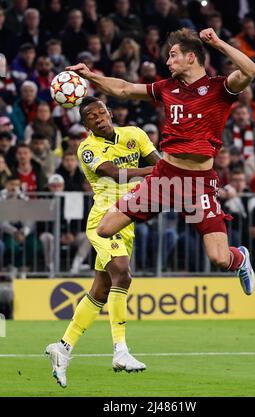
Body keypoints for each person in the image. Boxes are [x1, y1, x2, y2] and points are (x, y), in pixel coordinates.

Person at [67, 27, 255, 296]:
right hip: (164, 177)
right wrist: (89, 76)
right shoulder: (167, 88)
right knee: (105, 228)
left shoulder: (220, 88)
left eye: (173, 55)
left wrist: (217, 43)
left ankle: (240, 259)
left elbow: (250, 71)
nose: (167, 62)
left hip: (198, 185)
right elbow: (123, 89)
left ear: (191, 57)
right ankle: (107, 284)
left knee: (219, 258)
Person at [45, 97, 160, 387]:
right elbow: (113, 173)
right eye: (90, 116)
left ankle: (63, 347)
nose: (98, 117)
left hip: (128, 220)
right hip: (103, 222)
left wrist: (167, 171)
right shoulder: (87, 148)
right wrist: (153, 172)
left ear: (110, 113)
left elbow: (160, 164)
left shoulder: (135, 134)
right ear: (85, 124)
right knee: (123, 273)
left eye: (100, 112)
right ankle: (121, 350)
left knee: (101, 289)